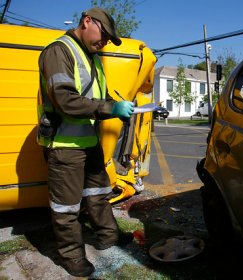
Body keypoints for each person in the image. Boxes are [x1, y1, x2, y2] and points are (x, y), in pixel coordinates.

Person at [37, 7, 134, 277]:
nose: (103, 43)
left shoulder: (92, 57)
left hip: (88, 142)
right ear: (87, 21)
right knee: (66, 207)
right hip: (65, 146)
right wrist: (109, 109)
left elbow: (95, 97)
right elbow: (65, 100)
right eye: (103, 36)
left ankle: (108, 236)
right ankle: (72, 256)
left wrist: (116, 105)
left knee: (98, 194)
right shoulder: (59, 50)